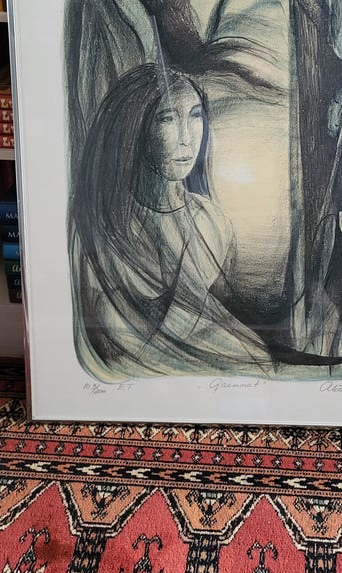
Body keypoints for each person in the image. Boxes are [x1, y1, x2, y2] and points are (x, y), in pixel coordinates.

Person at [68, 63, 273, 382]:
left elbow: (222, 321)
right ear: (135, 126)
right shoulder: (97, 226)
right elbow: (101, 342)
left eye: (195, 115)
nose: (186, 138)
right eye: (167, 118)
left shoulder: (212, 223)